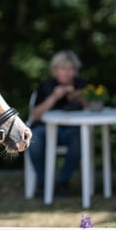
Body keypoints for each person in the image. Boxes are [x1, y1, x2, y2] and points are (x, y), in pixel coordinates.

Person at [27, 50, 88, 197]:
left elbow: (93, 109)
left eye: (71, 69)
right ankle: (43, 182)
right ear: (55, 71)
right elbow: (35, 114)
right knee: (33, 139)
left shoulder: (81, 85)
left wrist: (80, 98)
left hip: (71, 131)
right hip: (45, 129)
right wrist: (54, 97)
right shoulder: (46, 86)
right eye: (63, 69)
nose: (67, 73)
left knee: (80, 140)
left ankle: (63, 181)